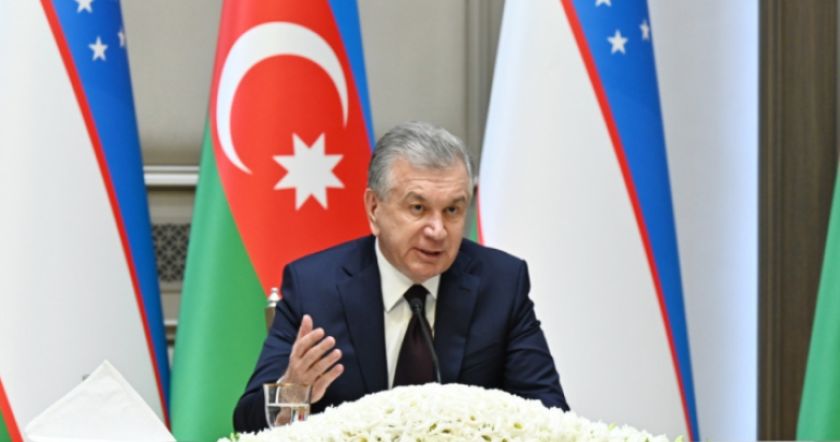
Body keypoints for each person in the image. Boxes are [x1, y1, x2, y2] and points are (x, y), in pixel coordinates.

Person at [233, 121, 568, 432]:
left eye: (452, 210)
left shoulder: (502, 283)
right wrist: (293, 391)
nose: (438, 231)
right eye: (418, 208)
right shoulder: (314, 287)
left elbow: (550, 414)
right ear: (374, 208)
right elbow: (247, 422)